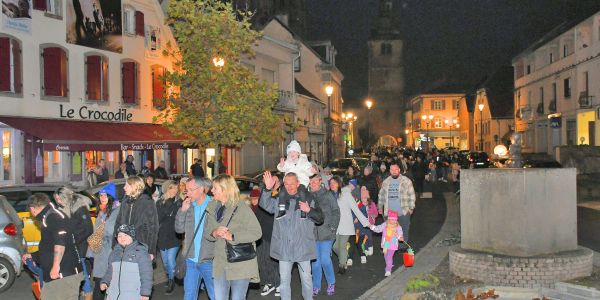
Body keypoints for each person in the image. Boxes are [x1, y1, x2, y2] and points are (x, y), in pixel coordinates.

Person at [260, 172, 324, 300]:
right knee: (284, 281)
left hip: (303, 247)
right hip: (284, 248)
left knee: (306, 279)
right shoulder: (279, 198)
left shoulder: (308, 198)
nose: (289, 187)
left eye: (292, 184)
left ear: (298, 183)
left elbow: (320, 218)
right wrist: (267, 189)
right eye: (287, 184)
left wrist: (309, 210)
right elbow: (264, 205)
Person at [204, 175, 262, 300]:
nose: (211, 190)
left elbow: (257, 232)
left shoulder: (242, 207)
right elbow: (207, 232)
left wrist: (233, 236)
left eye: (215, 188)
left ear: (224, 189)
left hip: (240, 263)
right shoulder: (212, 207)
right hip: (220, 263)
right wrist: (214, 232)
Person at [21, 193, 83, 299]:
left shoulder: (53, 217)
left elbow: (60, 241)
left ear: (32, 208)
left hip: (63, 275)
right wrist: (33, 256)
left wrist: (55, 266)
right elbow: (49, 246)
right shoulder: (49, 216)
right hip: (60, 275)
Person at [175, 177, 215, 300]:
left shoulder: (214, 204)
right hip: (190, 259)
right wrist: (182, 210)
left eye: (191, 190)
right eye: (187, 190)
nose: (188, 193)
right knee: (189, 296)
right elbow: (179, 229)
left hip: (209, 260)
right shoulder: (187, 206)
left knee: (216, 295)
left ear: (202, 189)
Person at [100, 224, 153, 300]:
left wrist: (145, 293)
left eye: (125, 235)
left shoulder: (140, 252)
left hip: (132, 295)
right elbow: (110, 271)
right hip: (113, 294)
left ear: (132, 236)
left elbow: (146, 274)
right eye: (119, 236)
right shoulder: (114, 253)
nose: (122, 238)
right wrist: (105, 281)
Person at [309, 174, 340, 296]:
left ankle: (331, 283)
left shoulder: (328, 195)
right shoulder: (308, 196)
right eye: (311, 182)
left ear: (320, 181)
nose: (313, 183)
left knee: (325, 260)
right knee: (315, 262)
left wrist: (333, 228)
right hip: (313, 234)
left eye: (315, 181)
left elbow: (336, 211)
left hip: (327, 233)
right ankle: (316, 286)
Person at [113, 176, 159, 259]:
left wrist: (151, 251)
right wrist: (115, 244)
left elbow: (153, 228)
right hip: (124, 246)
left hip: (140, 246)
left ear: (134, 187)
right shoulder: (125, 202)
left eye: (126, 185)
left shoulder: (147, 203)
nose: (124, 188)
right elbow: (118, 223)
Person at [89, 184, 120, 300]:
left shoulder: (117, 211)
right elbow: (95, 232)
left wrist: (102, 223)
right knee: (98, 285)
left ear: (111, 197)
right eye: (101, 195)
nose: (102, 198)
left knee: (111, 285)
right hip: (100, 254)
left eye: (105, 195)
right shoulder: (102, 211)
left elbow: (112, 230)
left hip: (111, 252)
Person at [333, 179, 370, 274]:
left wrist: (366, 222)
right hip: (336, 226)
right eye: (331, 183)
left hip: (346, 225)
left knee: (341, 247)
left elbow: (356, 209)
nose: (333, 185)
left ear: (339, 184)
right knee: (335, 247)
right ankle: (344, 257)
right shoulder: (332, 195)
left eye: (335, 183)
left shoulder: (346, 194)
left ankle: (342, 266)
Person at [249, 185, 280, 297]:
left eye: (256, 198)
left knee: (271, 262)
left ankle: (278, 284)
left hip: (269, 236)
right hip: (258, 239)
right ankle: (268, 282)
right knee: (261, 262)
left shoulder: (264, 207)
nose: (254, 201)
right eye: (252, 199)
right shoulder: (252, 209)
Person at [378, 163, 416, 249]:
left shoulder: (406, 181)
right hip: (390, 213)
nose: (394, 172)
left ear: (399, 170)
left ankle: (402, 247)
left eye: (396, 170)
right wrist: (380, 207)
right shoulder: (386, 181)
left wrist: (411, 208)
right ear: (390, 171)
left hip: (403, 212)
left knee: (404, 230)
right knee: (389, 231)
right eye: (392, 170)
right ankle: (390, 247)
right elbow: (381, 195)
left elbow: (412, 195)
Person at [156, 180, 182, 295]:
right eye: (172, 188)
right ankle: (169, 276)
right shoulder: (160, 202)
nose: (175, 190)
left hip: (174, 235)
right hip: (162, 235)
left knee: (171, 261)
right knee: (165, 262)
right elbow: (159, 218)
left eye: (176, 188)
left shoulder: (180, 202)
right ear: (167, 189)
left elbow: (179, 217)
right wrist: (168, 208)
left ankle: (171, 281)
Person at [53, 186, 94, 257]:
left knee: (82, 266)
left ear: (65, 197)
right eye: (57, 199)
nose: (59, 202)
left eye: (60, 199)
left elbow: (88, 229)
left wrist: (74, 241)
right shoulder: (65, 208)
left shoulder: (79, 208)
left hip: (81, 247)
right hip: (72, 247)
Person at [369, 211, 404, 276]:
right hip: (386, 243)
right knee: (385, 255)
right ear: (388, 219)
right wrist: (372, 227)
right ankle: (389, 264)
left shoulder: (398, 227)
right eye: (391, 219)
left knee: (389, 256)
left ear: (396, 220)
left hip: (393, 244)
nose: (393, 221)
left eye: (394, 220)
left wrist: (400, 237)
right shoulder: (385, 224)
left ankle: (388, 270)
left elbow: (400, 234)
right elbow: (378, 229)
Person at [348, 186, 377, 263]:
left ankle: (369, 248)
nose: (364, 199)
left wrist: (373, 215)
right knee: (359, 239)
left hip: (368, 224)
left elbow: (372, 212)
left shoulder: (368, 205)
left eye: (365, 198)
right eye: (363, 198)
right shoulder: (357, 205)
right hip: (358, 226)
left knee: (368, 236)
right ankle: (364, 250)